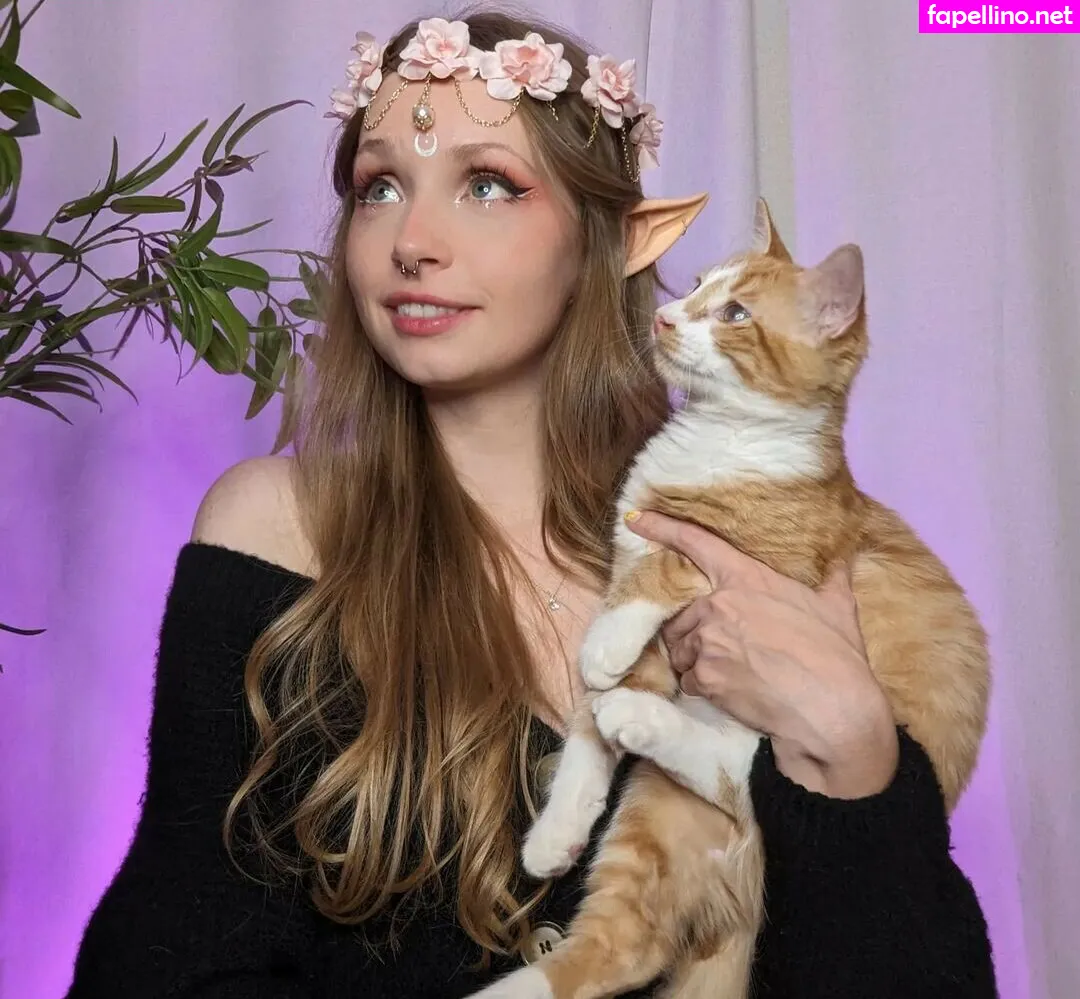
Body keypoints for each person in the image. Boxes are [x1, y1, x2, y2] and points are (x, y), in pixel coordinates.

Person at [66, 9, 997, 998]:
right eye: (379, 187)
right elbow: (166, 967)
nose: (411, 242)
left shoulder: (758, 545)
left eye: (486, 185)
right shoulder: (285, 528)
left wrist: (856, 753)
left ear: (613, 239)